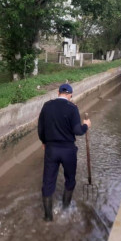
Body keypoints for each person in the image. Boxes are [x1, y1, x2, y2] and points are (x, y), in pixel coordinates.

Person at [37, 83, 91, 221]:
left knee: (48, 182)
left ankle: (48, 217)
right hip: (68, 151)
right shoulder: (72, 108)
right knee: (70, 180)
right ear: (70, 95)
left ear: (58, 92)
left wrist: (44, 142)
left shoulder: (47, 106)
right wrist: (86, 126)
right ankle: (65, 209)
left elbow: (41, 129)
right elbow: (77, 131)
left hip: (51, 150)